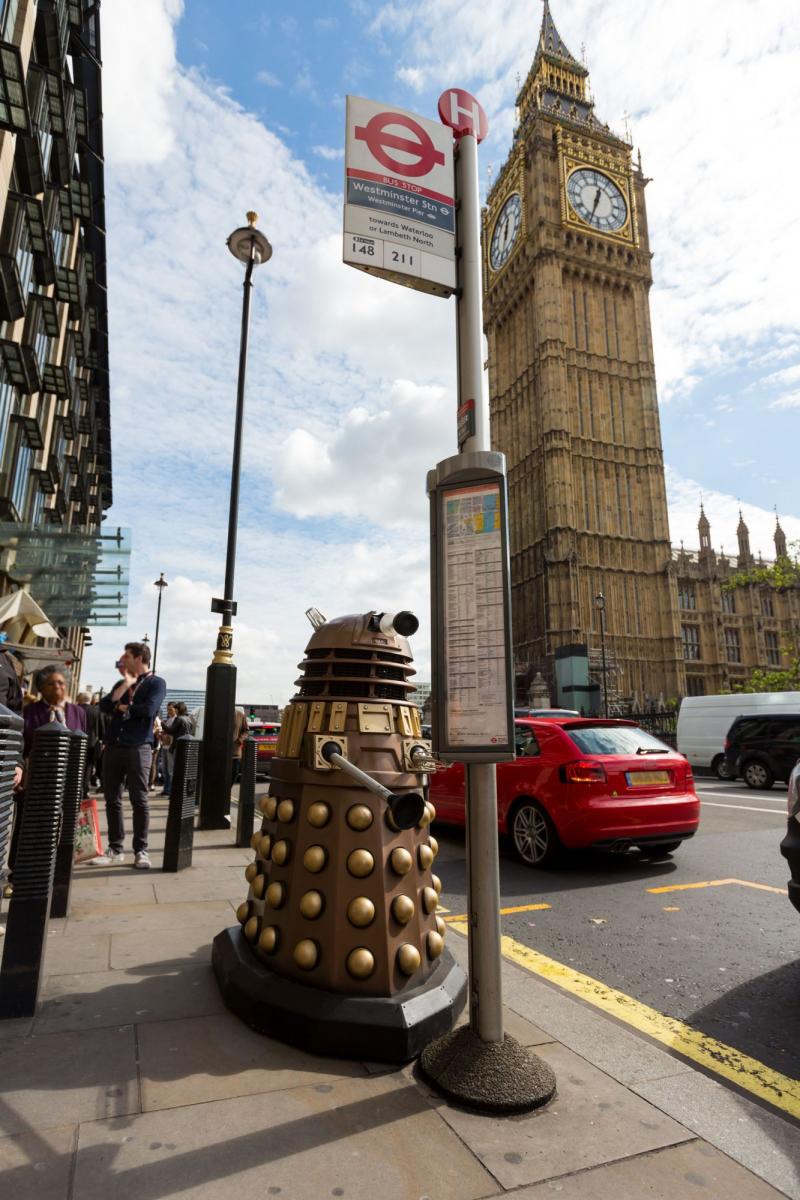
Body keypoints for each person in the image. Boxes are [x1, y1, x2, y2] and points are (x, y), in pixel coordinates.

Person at [5, 666, 87, 896]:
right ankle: (17, 875)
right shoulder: (29, 712)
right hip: (36, 781)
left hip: (66, 782)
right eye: (52, 683)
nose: (58, 687)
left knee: (61, 828)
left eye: (61, 683)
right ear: (41, 688)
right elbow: (20, 743)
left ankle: (56, 873)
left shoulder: (77, 712)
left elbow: (85, 746)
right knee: (25, 828)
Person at [93, 642, 166, 869]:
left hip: (139, 747)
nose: (122, 659)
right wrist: (125, 686)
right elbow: (104, 706)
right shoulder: (122, 683)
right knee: (112, 798)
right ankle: (115, 849)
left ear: (139, 658)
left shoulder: (156, 683)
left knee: (139, 799)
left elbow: (149, 709)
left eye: (126, 656)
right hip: (114, 746)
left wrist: (124, 709)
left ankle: (141, 850)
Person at [77, 690, 101, 788]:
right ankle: (85, 788)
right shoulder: (96, 711)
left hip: (76, 740)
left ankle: (75, 787)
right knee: (88, 766)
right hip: (91, 742)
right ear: (90, 700)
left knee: (75, 765)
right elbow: (100, 727)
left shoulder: (75, 709)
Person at [231, 706, 249, 785]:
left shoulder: (240, 715)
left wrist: (240, 740)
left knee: (233, 775)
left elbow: (245, 730)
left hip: (234, 753)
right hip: (219, 753)